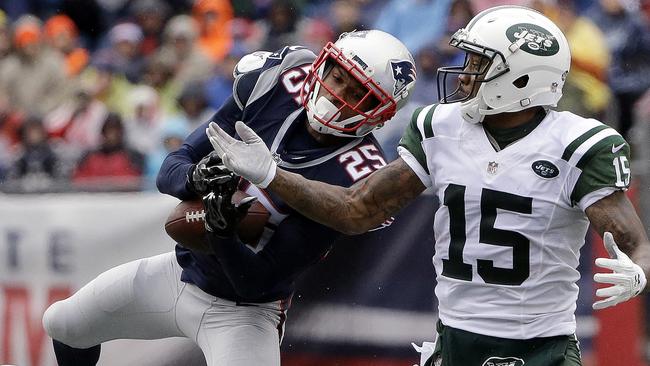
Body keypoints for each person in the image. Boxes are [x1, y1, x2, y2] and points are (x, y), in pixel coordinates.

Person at [206, 6, 650, 366]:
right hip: (453, 342)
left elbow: (634, 242)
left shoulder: (577, 144)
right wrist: (271, 175)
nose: (465, 72)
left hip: (541, 348)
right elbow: (356, 209)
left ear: (521, 78)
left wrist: (639, 270)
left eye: (479, 63)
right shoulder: (441, 127)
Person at [42, 29, 416, 366]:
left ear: (379, 115)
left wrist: (220, 231)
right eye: (339, 77)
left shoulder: (357, 176)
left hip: (245, 315)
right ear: (324, 62)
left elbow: (256, 283)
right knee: (62, 322)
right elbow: (172, 167)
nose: (339, 94)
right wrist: (195, 178)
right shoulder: (278, 85)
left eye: (358, 94)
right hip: (180, 272)